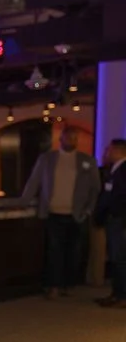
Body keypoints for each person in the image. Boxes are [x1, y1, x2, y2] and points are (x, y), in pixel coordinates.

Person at [21, 126, 101, 299]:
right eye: (68, 137)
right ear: (61, 139)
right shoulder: (47, 159)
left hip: (77, 215)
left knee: (74, 252)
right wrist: (23, 202)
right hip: (53, 213)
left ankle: (67, 284)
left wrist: (88, 210)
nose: (71, 141)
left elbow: (95, 188)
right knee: (54, 251)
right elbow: (34, 182)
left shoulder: (87, 161)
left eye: (75, 138)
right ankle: (54, 286)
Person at [95, 138, 126, 308]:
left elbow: (117, 197)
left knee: (119, 258)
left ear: (118, 151)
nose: (106, 153)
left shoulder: (123, 171)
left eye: (109, 150)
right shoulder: (114, 170)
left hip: (119, 219)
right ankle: (117, 293)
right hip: (114, 219)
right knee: (115, 258)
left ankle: (122, 295)